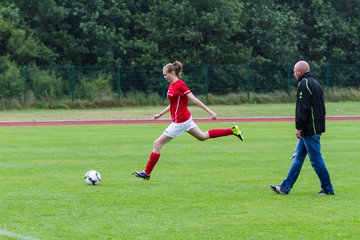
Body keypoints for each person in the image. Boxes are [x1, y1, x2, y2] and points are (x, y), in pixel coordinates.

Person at [133, 61, 244, 180]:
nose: (165, 77)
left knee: (157, 144)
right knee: (202, 136)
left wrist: (210, 111)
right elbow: (172, 104)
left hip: (180, 122)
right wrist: (160, 114)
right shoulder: (171, 85)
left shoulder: (181, 85)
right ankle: (233, 131)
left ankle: (146, 173)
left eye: (166, 75)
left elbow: (194, 100)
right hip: (185, 119)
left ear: (172, 72)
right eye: (164, 75)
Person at [270, 61, 334, 195]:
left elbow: (303, 108)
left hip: (309, 130)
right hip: (313, 128)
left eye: (294, 71)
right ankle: (285, 187)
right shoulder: (316, 83)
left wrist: (298, 127)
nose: (293, 73)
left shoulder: (304, 84)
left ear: (300, 71)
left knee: (316, 160)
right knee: (298, 157)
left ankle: (328, 189)